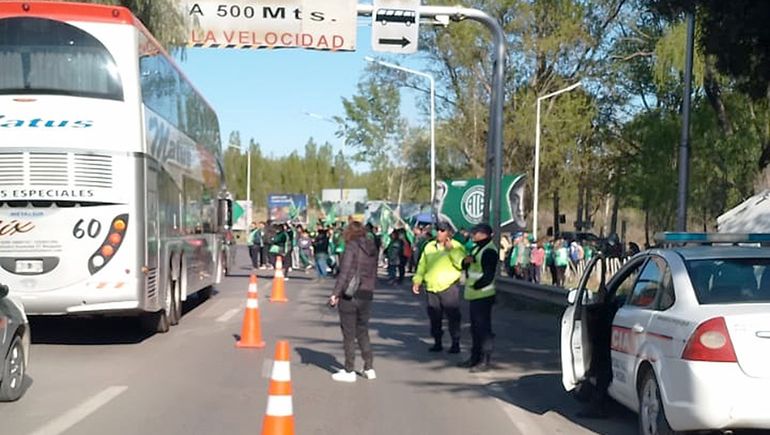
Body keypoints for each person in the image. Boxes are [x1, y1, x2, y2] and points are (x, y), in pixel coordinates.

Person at [328, 221, 379, 383]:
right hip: (367, 292)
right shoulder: (372, 247)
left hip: (350, 294)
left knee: (349, 333)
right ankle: (369, 367)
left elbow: (345, 272)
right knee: (362, 330)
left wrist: (335, 293)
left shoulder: (351, 247)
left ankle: (349, 369)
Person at [412, 222, 466, 353]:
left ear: (449, 233)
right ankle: (437, 342)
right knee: (434, 317)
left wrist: (451, 249)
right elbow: (422, 265)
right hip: (431, 287)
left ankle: (455, 343)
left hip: (448, 287)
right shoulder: (429, 246)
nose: (439, 233)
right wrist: (417, 280)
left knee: (453, 317)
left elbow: (461, 264)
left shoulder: (457, 246)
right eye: (437, 230)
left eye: (442, 230)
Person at [459, 223, 498, 372]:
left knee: (483, 330)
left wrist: (476, 285)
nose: (473, 236)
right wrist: (465, 262)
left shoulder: (489, 251)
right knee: (475, 329)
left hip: (484, 295)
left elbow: (488, 275)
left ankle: (485, 361)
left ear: (484, 235)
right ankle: (474, 358)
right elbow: (467, 265)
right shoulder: (476, 248)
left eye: (476, 233)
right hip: (474, 296)